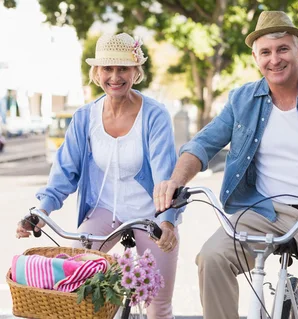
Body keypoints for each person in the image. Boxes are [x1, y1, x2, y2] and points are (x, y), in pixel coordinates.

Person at [154, 11, 298, 319]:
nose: (274, 59)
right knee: (211, 259)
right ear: (255, 56)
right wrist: (175, 181)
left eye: (282, 49)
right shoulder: (242, 99)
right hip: (260, 211)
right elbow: (202, 144)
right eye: (265, 52)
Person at [15, 33, 181, 319]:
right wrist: (40, 212)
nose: (115, 77)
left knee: (158, 303)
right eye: (108, 68)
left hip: (150, 214)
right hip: (104, 211)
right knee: (73, 282)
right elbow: (64, 173)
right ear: (97, 73)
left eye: (123, 69)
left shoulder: (155, 115)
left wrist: (166, 222)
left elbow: (165, 176)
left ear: (135, 72)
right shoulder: (84, 118)